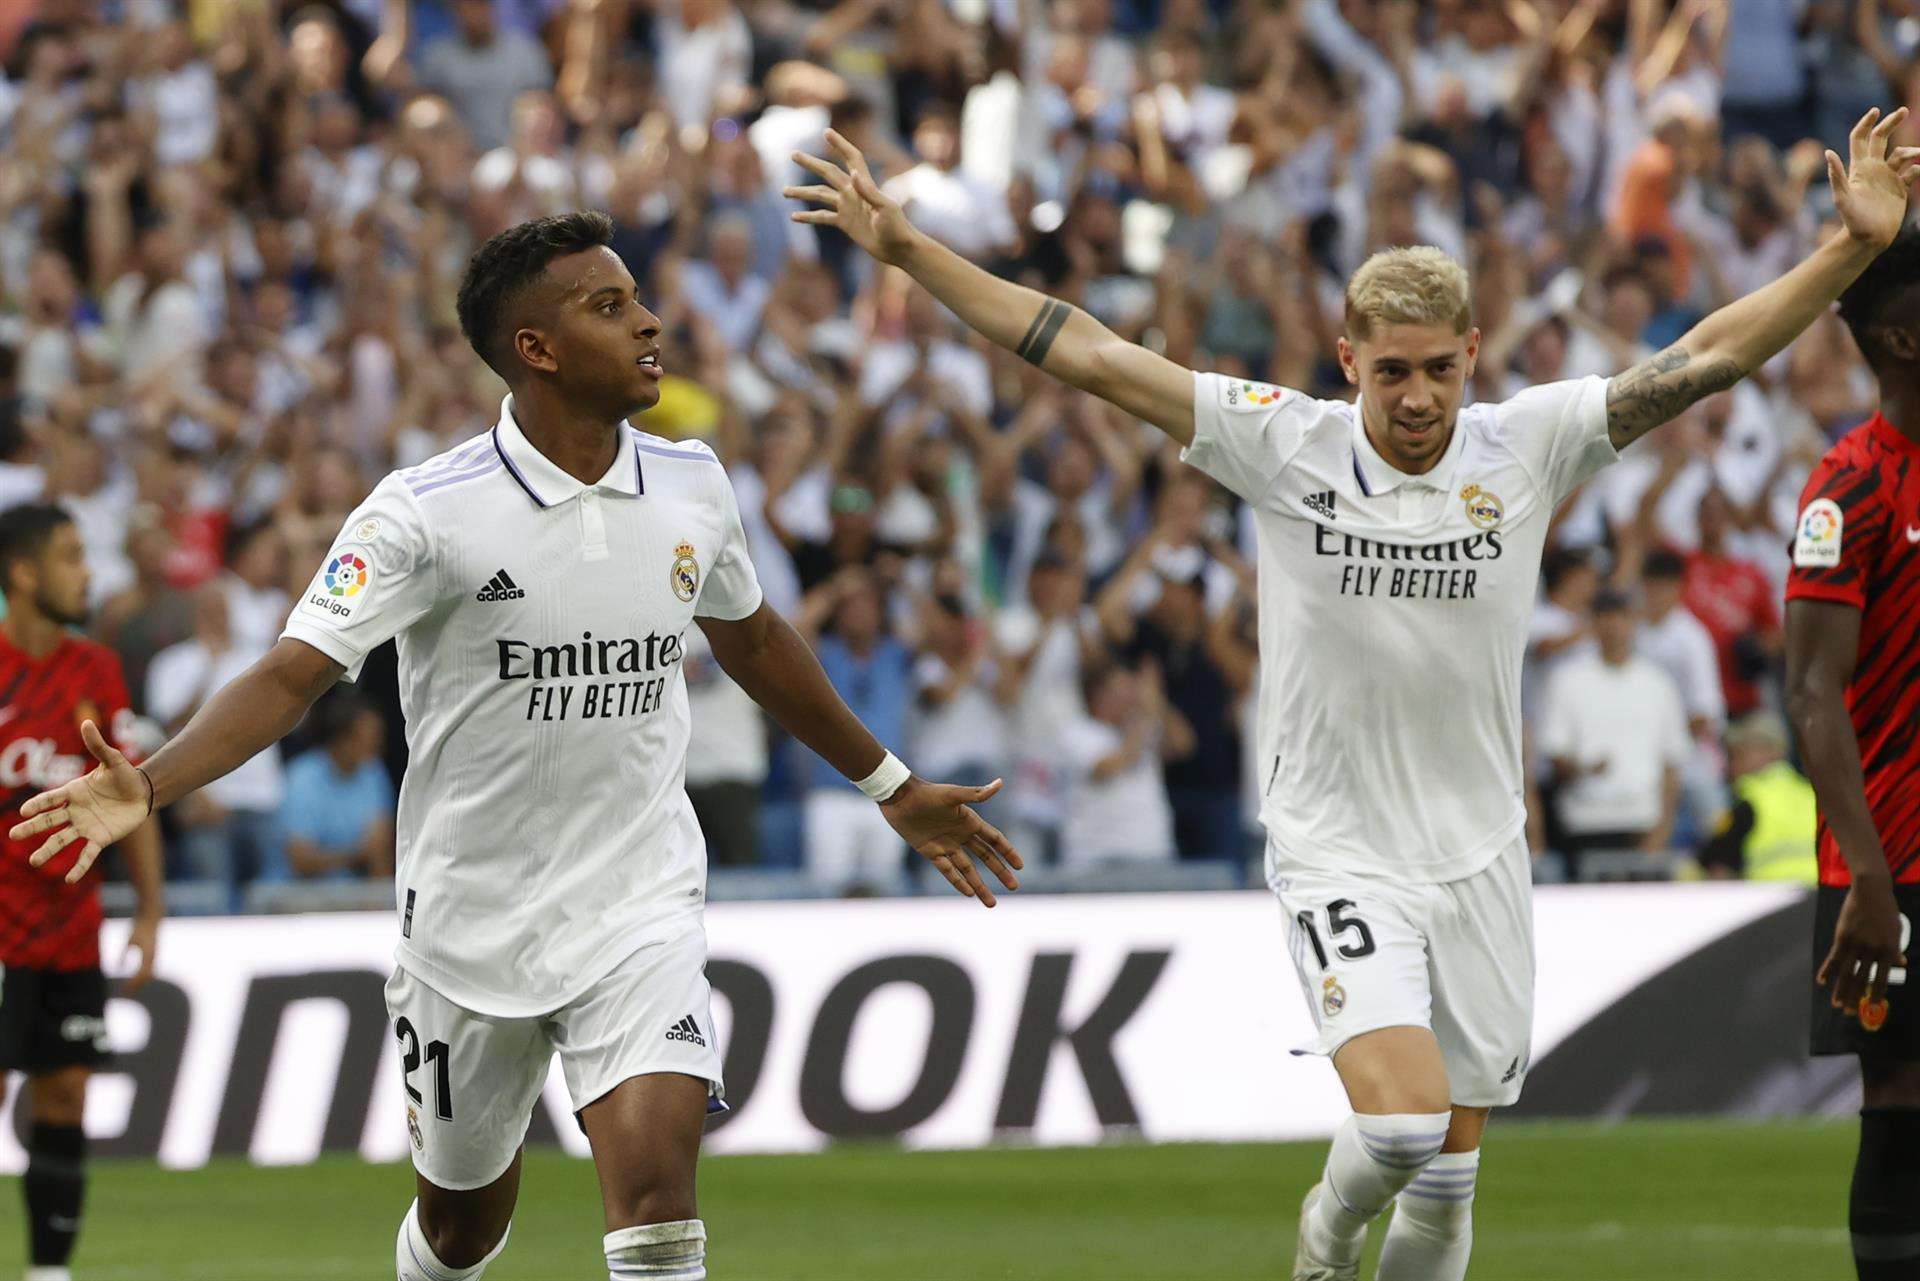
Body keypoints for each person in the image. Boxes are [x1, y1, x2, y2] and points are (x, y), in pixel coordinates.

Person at [786, 109, 1920, 1281]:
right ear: (1347, 362)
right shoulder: (1285, 444)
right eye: (1391, 372)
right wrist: (914, 253)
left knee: (1453, 1178)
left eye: (1438, 369)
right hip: (1338, 846)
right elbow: (1087, 352)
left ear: (1473, 356)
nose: (1417, 397)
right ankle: (1325, 1239)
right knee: (1398, 1124)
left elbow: (1709, 358)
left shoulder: (1524, 446)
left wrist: (1845, 250)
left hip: (1480, 849)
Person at [9, 213, 1021, 1281]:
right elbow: (289, 675)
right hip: (465, 926)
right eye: (610, 306)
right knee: (460, 1230)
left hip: (638, 903)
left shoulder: (692, 485)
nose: (649, 321)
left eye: (637, 299)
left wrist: (889, 783)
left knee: (657, 1205)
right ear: (534, 349)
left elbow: (755, 637)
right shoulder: (423, 514)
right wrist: (153, 784)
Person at [1783, 220, 1920, 1281]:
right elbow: (1811, 692)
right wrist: (1866, 876)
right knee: (1900, 1096)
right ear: (1902, 338)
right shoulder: (1851, 489)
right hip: (1895, 860)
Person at [0, 503, 164, 1281]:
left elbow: (131, 797)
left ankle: (48, 1274)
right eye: (70, 555)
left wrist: (153, 911)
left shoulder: (95, 671)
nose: (87, 571)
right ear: (23, 573)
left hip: (71, 930)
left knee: (64, 1095)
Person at [1536, 587, 1690, 880]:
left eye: (1621, 618)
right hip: (1585, 822)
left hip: (1643, 822)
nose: (1614, 627)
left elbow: (1672, 764)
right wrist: (1582, 769)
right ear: (1593, 624)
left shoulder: (1657, 683)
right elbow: (1555, 755)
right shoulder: (1567, 680)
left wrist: (1662, 830)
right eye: (1605, 619)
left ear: (1634, 622)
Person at [273, 689, 396, 882]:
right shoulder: (302, 777)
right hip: (299, 898)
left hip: (358, 897)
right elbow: (301, 861)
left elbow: (379, 852)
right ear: (341, 739)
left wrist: (379, 903)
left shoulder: (374, 773)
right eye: (366, 740)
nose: (375, 747)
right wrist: (357, 853)